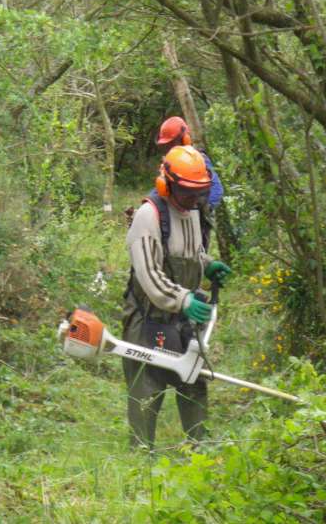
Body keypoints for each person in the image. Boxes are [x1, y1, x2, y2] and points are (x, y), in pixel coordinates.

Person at [122, 145, 232, 449]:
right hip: (148, 318)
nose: (194, 200)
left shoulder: (192, 211)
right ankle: (140, 460)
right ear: (167, 184)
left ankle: (200, 451)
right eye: (186, 193)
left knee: (194, 383)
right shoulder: (149, 216)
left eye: (199, 193)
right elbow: (150, 276)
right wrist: (184, 299)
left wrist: (207, 266)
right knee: (147, 389)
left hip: (181, 319)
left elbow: (190, 252)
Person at [156, 116, 223, 249]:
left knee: (198, 255)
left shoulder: (198, 160)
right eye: (166, 145)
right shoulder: (170, 163)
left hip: (197, 219)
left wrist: (199, 206)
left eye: (172, 143)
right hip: (174, 218)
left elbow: (217, 189)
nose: (170, 148)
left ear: (185, 139)